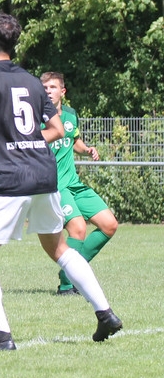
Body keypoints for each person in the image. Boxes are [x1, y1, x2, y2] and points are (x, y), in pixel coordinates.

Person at [0, 11, 122, 350]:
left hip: (9, 178)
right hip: (44, 174)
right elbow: (56, 129)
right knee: (58, 247)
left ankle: (3, 337)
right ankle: (105, 313)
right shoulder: (31, 81)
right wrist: (26, 141)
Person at [40, 71, 119, 296]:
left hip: (74, 184)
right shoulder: (36, 118)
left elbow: (73, 140)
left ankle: (73, 268)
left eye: (52, 87)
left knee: (109, 225)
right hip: (54, 186)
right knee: (78, 228)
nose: (48, 92)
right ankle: (67, 284)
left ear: (62, 91)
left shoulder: (70, 115)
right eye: (44, 88)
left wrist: (86, 149)